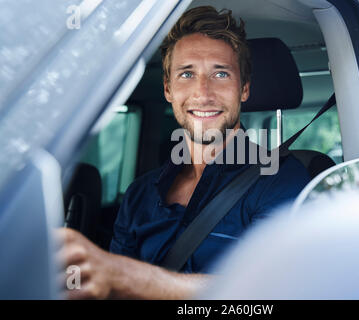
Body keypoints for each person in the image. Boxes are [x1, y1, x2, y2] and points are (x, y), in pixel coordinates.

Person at [57, 6, 311, 299]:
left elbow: (273, 290)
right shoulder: (141, 193)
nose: (203, 93)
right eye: (187, 74)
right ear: (168, 89)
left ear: (244, 89)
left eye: (220, 73)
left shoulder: (280, 179)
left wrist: (122, 273)